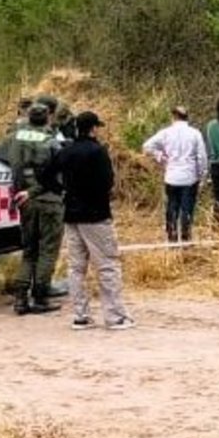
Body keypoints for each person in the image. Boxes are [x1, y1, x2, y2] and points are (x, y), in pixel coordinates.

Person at [55, 111, 134, 331]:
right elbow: (108, 182)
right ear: (93, 129)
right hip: (96, 215)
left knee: (76, 268)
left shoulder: (66, 151)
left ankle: (80, 315)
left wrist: (62, 191)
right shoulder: (98, 151)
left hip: (71, 215)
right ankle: (115, 316)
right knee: (107, 265)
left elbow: (47, 174)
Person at [0, 102, 65, 314]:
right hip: (49, 200)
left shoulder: (14, 138)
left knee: (29, 251)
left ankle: (20, 299)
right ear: (48, 118)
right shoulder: (51, 141)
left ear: (27, 117)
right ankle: (41, 297)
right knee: (47, 251)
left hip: (23, 199)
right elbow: (60, 172)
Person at [142, 106, 209, 243]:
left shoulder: (166, 133)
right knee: (187, 209)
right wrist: (202, 175)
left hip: (171, 176)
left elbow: (147, 146)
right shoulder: (195, 133)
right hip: (189, 177)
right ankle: (185, 238)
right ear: (187, 117)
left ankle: (171, 237)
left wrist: (160, 156)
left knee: (172, 207)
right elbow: (202, 157)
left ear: (173, 117)